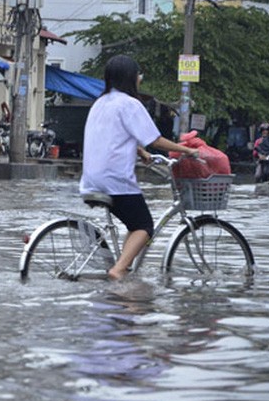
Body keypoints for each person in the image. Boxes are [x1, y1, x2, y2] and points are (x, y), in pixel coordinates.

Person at [79, 55, 198, 281]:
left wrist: (141, 153)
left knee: (134, 225)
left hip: (91, 179)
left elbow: (113, 137)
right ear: (132, 78)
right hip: (114, 180)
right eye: (138, 75)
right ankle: (118, 269)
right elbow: (155, 140)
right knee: (144, 226)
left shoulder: (100, 102)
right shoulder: (130, 104)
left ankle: (123, 276)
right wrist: (187, 151)